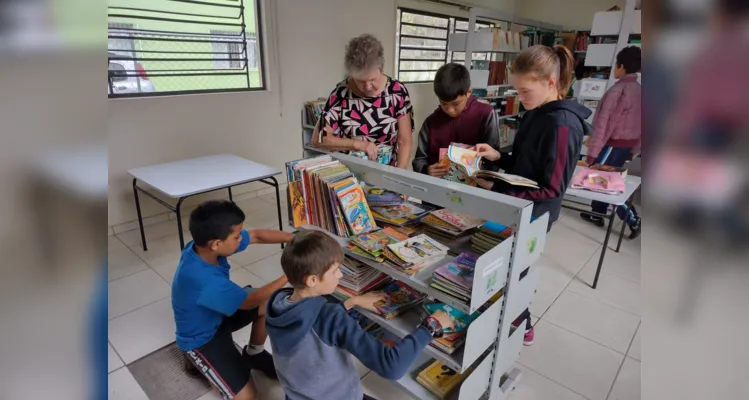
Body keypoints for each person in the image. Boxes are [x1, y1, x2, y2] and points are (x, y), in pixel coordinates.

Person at [473, 44, 592, 345]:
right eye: (518, 92)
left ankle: (522, 323)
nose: (520, 98)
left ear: (550, 82)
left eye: (525, 91)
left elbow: (552, 188)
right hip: (515, 203)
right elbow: (525, 167)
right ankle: (500, 316)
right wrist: (498, 157)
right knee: (502, 265)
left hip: (535, 213)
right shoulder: (535, 113)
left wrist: (497, 186)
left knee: (517, 271)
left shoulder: (562, 124)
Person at [265, 230, 453, 400]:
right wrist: (430, 326)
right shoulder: (330, 317)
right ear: (313, 280)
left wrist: (352, 301)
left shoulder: (277, 304)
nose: (340, 275)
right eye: (335, 270)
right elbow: (392, 366)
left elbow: (313, 320)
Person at [172, 200, 294, 400]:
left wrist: (297, 239)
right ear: (217, 244)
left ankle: (254, 354)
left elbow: (256, 236)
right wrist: (289, 274)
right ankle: (197, 361)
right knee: (247, 396)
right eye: (237, 237)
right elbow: (249, 301)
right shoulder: (202, 278)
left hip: (219, 313)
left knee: (270, 302)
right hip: (202, 339)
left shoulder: (203, 248)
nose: (241, 239)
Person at [311, 34, 414, 169]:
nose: (367, 87)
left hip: (387, 173)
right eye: (360, 81)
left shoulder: (398, 92)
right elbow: (318, 138)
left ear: (381, 68)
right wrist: (357, 144)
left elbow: (405, 140)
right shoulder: (339, 94)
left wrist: (400, 178)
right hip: (349, 175)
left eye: (372, 80)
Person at [579, 46, 642, 239]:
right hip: (625, 145)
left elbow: (603, 125)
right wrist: (634, 149)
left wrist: (591, 154)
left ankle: (632, 218)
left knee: (606, 183)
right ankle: (596, 213)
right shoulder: (639, 90)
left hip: (611, 144)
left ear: (621, 66)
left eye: (616, 64)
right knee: (603, 181)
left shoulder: (618, 91)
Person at [412, 63, 500, 177]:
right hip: (438, 187)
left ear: (468, 92)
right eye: (443, 103)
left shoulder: (486, 114)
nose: (450, 110)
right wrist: (426, 170)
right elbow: (419, 160)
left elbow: (495, 160)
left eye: (456, 103)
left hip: (476, 188)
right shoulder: (431, 122)